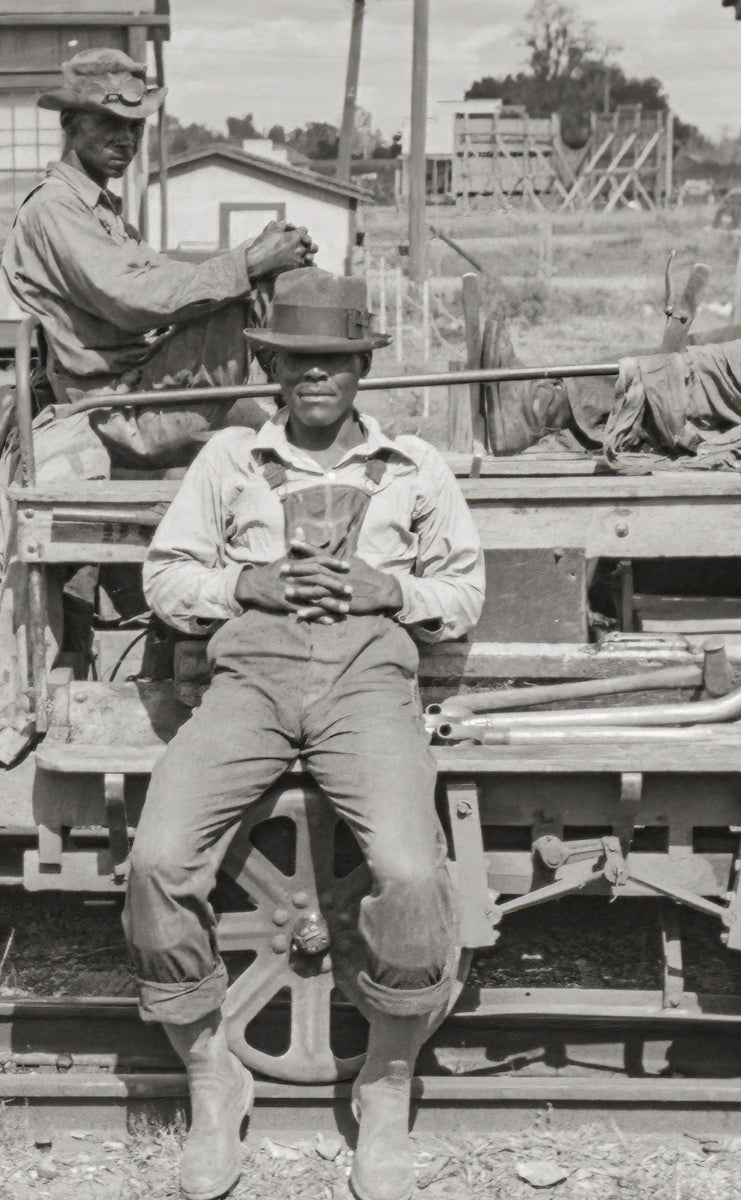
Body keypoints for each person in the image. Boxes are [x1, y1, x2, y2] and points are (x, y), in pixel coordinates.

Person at [122, 267, 484, 1200]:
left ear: (362, 364)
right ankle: (212, 1074)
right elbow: (164, 579)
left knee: (410, 871)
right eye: (296, 361)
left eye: (333, 360)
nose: (314, 376)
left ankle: (388, 1083)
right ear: (273, 366)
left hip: (369, 679)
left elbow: (464, 592)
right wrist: (247, 586)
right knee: (159, 859)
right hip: (248, 675)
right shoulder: (230, 462)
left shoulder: (415, 467)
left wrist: (388, 590)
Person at [2, 47, 315, 473]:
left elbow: (161, 275)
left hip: (140, 384)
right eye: (111, 122)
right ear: (69, 122)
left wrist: (254, 256)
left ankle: (308, 415)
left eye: (136, 126)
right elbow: (130, 299)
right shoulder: (55, 208)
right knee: (253, 280)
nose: (127, 140)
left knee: (264, 274)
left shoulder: (100, 210)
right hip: (116, 410)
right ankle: (313, 409)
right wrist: (248, 264)